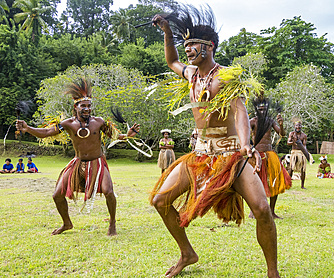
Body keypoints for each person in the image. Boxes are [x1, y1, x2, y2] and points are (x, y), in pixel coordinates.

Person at [150, 5, 280, 278]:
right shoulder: (191, 75)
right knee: (160, 201)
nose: (187, 50)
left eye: (192, 45)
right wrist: (166, 33)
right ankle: (187, 254)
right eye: (185, 45)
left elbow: (239, 110)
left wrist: (246, 144)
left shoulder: (226, 77)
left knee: (262, 209)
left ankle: (272, 272)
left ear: (208, 47)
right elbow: (171, 61)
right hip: (199, 154)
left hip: (231, 154)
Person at [16, 78, 139, 236]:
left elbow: (114, 135)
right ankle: (67, 223)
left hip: (97, 163)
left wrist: (127, 135)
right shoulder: (67, 124)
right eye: (83, 106)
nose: (87, 109)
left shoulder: (99, 122)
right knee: (57, 195)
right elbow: (46, 132)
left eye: (89, 106)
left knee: (109, 192)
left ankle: (112, 223)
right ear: (76, 107)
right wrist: (27, 128)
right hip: (77, 163)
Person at [249, 97, 291, 219]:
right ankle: (253, 211)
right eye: (260, 110)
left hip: (270, 154)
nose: (262, 111)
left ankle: (271, 211)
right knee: (255, 183)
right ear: (256, 110)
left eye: (264, 109)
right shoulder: (252, 121)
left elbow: (282, 134)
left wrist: (281, 125)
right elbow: (244, 135)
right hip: (257, 155)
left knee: (275, 181)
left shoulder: (270, 121)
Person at [287, 121, 309, 189]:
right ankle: (288, 184)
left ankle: (302, 185)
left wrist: (305, 152)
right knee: (291, 168)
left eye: (299, 126)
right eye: (296, 126)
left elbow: (304, 145)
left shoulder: (304, 135)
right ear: (294, 126)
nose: (298, 127)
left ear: (301, 127)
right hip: (294, 152)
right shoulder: (292, 134)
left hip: (301, 152)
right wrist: (293, 143)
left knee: (303, 169)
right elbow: (288, 142)